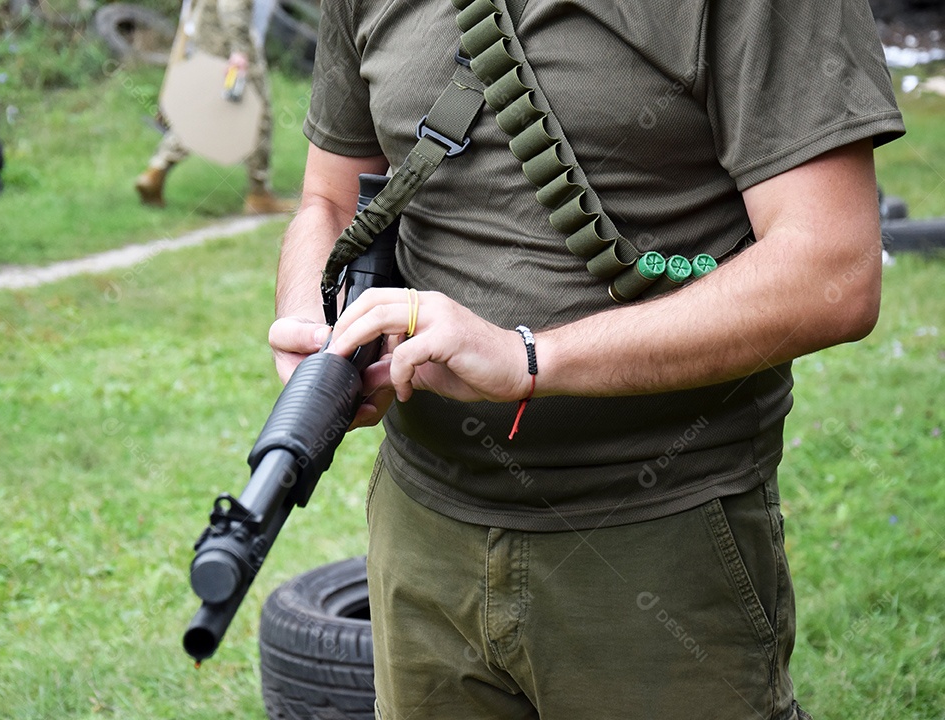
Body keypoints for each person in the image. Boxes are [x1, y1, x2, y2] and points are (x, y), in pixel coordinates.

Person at [271, 1, 905, 717]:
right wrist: (308, 316)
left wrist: (530, 359)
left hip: (655, 535)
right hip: (420, 528)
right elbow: (327, 196)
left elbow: (833, 272)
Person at [134, 0, 292, 214]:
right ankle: (259, 193)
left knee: (205, 114)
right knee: (258, 113)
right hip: (231, 43)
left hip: (209, 36)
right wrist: (240, 50)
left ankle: (157, 170)